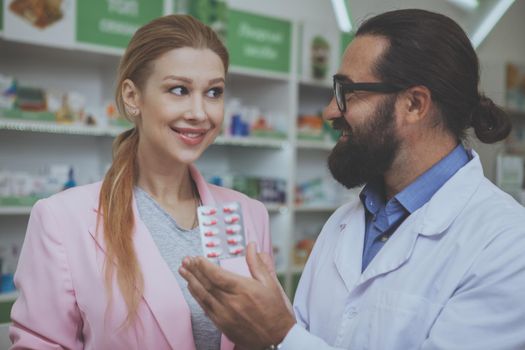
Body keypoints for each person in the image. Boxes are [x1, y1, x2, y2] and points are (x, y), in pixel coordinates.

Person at [179, 9, 525, 350]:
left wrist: (280, 334)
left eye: (348, 91)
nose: (330, 110)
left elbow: (292, 338)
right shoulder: (344, 223)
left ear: (415, 104)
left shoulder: (506, 244)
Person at [9, 14, 272, 350]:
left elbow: (264, 334)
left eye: (213, 92)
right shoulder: (62, 219)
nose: (199, 112)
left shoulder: (249, 214)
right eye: (179, 90)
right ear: (133, 97)